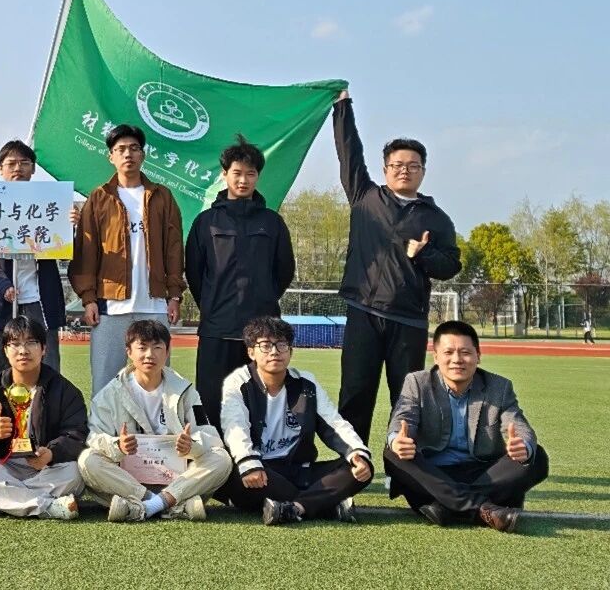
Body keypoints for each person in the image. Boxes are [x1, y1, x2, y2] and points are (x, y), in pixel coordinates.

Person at [333, 91, 462, 445]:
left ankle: (402, 465)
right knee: (355, 394)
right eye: (397, 164)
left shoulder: (436, 218)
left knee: (406, 400)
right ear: (385, 169)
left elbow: (451, 265)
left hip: (408, 319)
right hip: (363, 311)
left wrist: (423, 254)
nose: (404, 170)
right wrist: (342, 107)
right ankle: (352, 463)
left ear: (423, 171)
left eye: (412, 165)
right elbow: (349, 151)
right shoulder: (365, 198)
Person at [384, 320, 548, 533]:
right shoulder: (417, 382)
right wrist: (398, 440)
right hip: (434, 473)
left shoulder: (499, 387)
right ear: (436, 357)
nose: (457, 360)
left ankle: (446, 505)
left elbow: (518, 424)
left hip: (483, 473)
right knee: (393, 453)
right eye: (448, 352)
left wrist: (522, 445)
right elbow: (404, 416)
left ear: (478, 356)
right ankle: (484, 508)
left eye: (465, 353)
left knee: (537, 457)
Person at [186, 135, 295, 431]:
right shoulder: (206, 222)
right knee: (211, 401)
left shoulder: (272, 223)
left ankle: (255, 456)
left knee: (259, 404)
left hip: (262, 332)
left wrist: (263, 299)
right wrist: (211, 304)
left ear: (258, 176)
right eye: (237, 173)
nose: (243, 180)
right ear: (225, 175)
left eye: (250, 173)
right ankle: (214, 456)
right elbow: (194, 272)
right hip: (217, 330)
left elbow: (284, 271)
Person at [220, 317, 373, 526]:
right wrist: (248, 460)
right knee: (236, 473)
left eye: (282, 345)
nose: (274, 352)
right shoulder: (238, 382)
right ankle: (326, 504)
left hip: (300, 471)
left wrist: (356, 452)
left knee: (361, 469)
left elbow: (334, 422)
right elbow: (235, 426)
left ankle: (294, 508)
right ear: (251, 352)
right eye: (265, 345)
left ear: (290, 351)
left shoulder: (306, 383)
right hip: (263, 471)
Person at [69, 124, 185, 396]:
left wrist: (174, 295)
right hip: (109, 306)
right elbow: (87, 251)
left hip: (154, 304)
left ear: (143, 155)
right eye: (120, 149)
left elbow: (174, 249)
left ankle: (157, 426)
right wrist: (88, 299)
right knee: (104, 384)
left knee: (157, 383)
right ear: (111, 156)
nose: (128, 154)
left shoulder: (162, 196)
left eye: (134, 148)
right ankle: (102, 426)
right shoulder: (99, 198)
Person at [79, 319, 231, 522]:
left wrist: (192, 445)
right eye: (142, 348)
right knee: (87, 460)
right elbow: (94, 438)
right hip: (128, 480)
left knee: (221, 458)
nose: (150, 355)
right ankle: (164, 504)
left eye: (157, 347)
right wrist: (118, 445)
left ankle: (142, 506)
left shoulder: (185, 391)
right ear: (128, 352)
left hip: (177, 478)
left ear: (167, 352)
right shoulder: (109, 395)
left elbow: (208, 434)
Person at [0, 316, 87, 519]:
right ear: (5, 350)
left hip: (45, 468)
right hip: (5, 466)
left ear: (44, 349)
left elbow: (76, 434)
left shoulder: (64, 391)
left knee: (75, 473)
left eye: (31, 342)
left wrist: (51, 453)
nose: (23, 351)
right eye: (15, 344)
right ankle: (47, 506)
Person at [0, 140, 66, 381]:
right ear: (1, 168)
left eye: (24, 163)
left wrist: (70, 224)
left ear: (33, 168)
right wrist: (3, 285)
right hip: (0, 300)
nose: (18, 168)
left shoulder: (50, 202)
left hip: (39, 297)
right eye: (11, 163)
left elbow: (63, 249)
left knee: (46, 363)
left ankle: (45, 405)